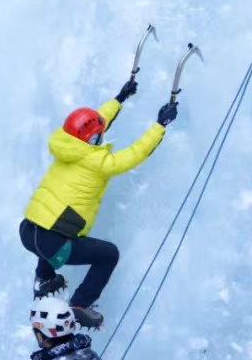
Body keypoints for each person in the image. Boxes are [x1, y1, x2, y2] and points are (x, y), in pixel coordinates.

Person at [20, 77, 179, 328]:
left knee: (54, 227)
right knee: (108, 255)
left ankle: (44, 278)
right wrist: (160, 125)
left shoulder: (66, 142)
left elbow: (94, 121)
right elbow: (133, 155)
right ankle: (81, 304)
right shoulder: (96, 163)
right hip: (51, 243)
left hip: (28, 232)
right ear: (91, 139)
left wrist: (119, 99)